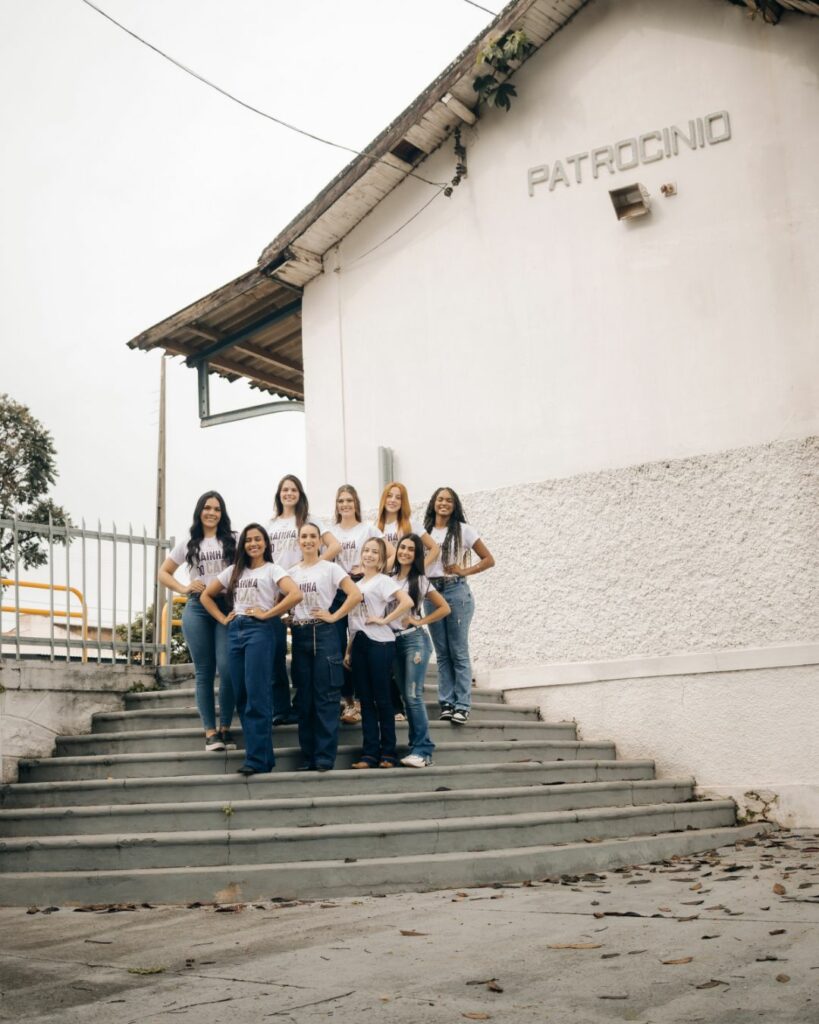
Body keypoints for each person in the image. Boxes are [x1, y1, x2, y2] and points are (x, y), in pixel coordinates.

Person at [200, 523, 302, 775]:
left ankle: (256, 759)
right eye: (248, 540)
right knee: (242, 695)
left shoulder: (273, 569)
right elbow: (206, 596)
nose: (253, 544)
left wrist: (268, 614)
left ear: (266, 543)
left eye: (258, 539)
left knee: (257, 695)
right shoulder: (234, 571)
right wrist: (223, 619)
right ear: (243, 545)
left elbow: (295, 594)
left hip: (259, 630)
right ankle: (263, 758)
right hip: (235, 631)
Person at [158, 491, 237, 752]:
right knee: (204, 671)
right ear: (199, 511)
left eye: (217, 509)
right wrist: (183, 588)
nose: (212, 513)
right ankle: (210, 733)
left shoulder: (233, 539)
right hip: (197, 607)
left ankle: (225, 728)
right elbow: (163, 572)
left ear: (222, 513)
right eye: (207, 508)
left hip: (225, 606)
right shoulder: (189, 543)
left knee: (227, 669)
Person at [288, 522, 362, 772]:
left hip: (325, 633)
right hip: (300, 634)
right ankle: (308, 756)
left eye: (313, 536)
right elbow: (284, 600)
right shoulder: (292, 572)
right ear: (298, 541)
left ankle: (324, 757)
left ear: (320, 541)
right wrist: (289, 617)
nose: (308, 540)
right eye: (304, 536)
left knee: (326, 697)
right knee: (305, 698)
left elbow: (355, 594)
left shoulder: (330, 568)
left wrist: (334, 615)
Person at [267, 474, 341, 726]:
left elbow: (334, 546)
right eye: (285, 490)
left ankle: (303, 706)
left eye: (294, 490)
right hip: (277, 590)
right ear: (279, 494)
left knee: (306, 654)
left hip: (304, 587)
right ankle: (280, 707)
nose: (289, 493)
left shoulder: (309, 520)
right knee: (277, 650)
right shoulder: (271, 524)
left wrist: (314, 565)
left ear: (300, 494)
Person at [423, 487, 495, 725]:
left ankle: (462, 705)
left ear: (454, 506)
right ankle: (446, 703)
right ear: (434, 503)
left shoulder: (464, 530)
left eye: (449, 500)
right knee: (442, 652)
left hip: (455, 590)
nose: (444, 503)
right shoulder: (425, 531)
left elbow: (488, 559)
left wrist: (464, 571)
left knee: (458, 650)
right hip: (431, 592)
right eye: (440, 499)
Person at [345, 538, 412, 768]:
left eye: (375, 552)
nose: (369, 555)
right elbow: (354, 621)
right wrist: (348, 650)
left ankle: (388, 754)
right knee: (365, 701)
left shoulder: (383, 581)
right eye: (366, 550)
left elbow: (406, 601)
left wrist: (384, 620)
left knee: (382, 699)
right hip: (359, 644)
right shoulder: (356, 585)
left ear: (382, 558)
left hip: (380, 644)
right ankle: (369, 754)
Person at [327, 484, 390, 724]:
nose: (345, 505)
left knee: (361, 642)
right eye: (341, 501)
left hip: (361, 589)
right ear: (336, 505)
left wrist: (369, 571)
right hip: (337, 591)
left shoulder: (368, 529)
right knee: (338, 645)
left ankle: (364, 701)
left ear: (356, 504)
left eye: (349, 500)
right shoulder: (330, 531)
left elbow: (390, 553)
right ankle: (348, 702)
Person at [389, 534, 451, 768]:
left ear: (416, 555)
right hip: (393, 642)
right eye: (402, 547)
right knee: (406, 697)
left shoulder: (420, 580)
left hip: (414, 641)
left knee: (413, 695)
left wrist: (420, 620)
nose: (405, 552)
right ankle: (415, 747)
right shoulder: (388, 579)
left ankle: (424, 751)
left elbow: (444, 608)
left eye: (411, 550)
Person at [376, 481, 440, 571]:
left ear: (403, 502)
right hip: (384, 576)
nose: (393, 500)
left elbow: (435, 548)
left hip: (404, 576)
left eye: (398, 498)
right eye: (389, 496)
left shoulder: (411, 524)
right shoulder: (375, 527)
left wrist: (420, 568)